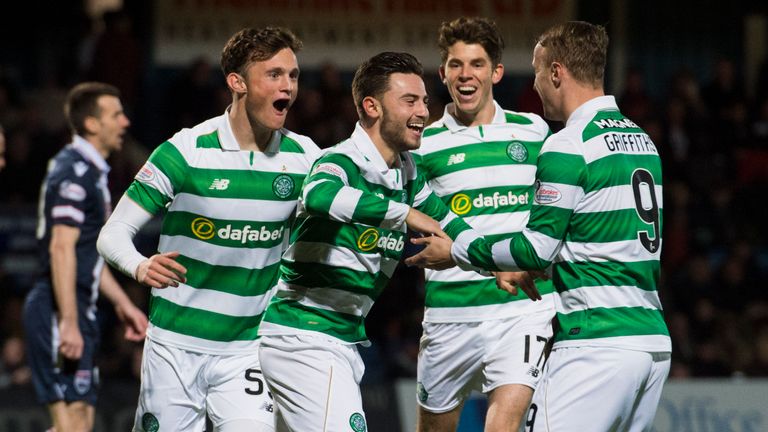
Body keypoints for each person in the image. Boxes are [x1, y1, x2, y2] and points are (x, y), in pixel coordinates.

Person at [407, 21, 671, 432]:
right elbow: (591, 231)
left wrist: (459, 251)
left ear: (556, 73)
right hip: (649, 337)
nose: (533, 84)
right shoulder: (643, 140)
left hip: (590, 335)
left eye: (535, 72)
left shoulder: (562, 142)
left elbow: (537, 247)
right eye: (455, 64)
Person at [96, 27, 321, 431]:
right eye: (274, 74)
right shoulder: (185, 151)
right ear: (237, 82)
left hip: (248, 351)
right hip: (174, 348)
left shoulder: (306, 158)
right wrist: (140, 267)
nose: (288, 85)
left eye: (293, 75)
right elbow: (111, 235)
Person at [257, 51, 489, 432]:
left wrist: (499, 265)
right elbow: (318, 195)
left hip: (343, 340)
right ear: (372, 106)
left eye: (425, 101)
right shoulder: (341, 161)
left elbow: (454, 227)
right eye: (409, 101)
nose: (423, 113)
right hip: (303, 337)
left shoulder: (407, 174)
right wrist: (403, 214)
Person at [410, 17, 555, 431]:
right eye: (455, 65)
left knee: (504, 425)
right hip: (450, 314)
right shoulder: (424, 143)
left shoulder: (533, 130)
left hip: (523, 310)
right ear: (443, 74)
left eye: (476, 64)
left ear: (496, 72)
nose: (465, 74)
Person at [22, 81, 148, 432]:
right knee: (71, 426)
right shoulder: (73, 171)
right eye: (116, 114)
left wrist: (123, 304)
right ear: (92, 124)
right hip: (57, 308)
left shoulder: (90, 171)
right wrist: (68, 320)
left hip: (78, 309)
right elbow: (61, 247)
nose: (124, 122)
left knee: (79, 424)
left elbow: (84, 254)